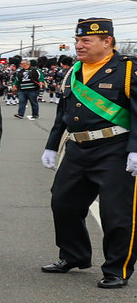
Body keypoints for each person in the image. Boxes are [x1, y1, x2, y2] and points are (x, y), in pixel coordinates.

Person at [40, 17, 137, 288]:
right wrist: (51, 144)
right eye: (77, 40)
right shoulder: (75, 71)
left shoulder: (128, 70)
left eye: (85, 41)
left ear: (107, 42)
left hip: (116, 149)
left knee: (116, 213)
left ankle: (117, 268)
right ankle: (74, 255)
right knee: (63, 202)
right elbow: (64, 112)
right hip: (78, 148)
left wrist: (135, 150)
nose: (78, 46)